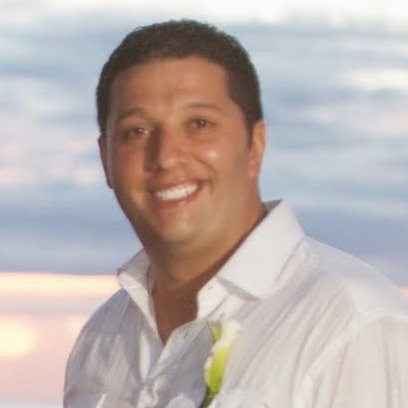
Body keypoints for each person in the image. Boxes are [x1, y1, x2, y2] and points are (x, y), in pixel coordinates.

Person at [64, 20, 408, 408]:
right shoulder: (102, 338)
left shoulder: (351, 323)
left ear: (255, 145)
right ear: (105, 159)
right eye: (136, 131)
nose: (166, 156)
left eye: (199, 124)